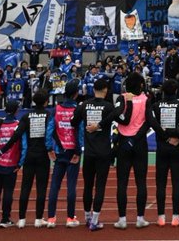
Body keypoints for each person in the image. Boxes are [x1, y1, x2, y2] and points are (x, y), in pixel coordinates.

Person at [74, 77, 116, 230]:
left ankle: (87, 217)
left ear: (93, 90)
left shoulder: (84, 105)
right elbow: (122, 118)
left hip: (89, 153)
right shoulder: (109, 107)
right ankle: (95, 220)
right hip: (104, 152)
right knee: (100, 186)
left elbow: (73, 122)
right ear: (105, 91)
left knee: (88, 185)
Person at [8, 91, 52, 228]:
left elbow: (17, 134)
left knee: (25, 187)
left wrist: (5, 147)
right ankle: (38, 219)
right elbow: (52, 133)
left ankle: (21, 219)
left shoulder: (26, 116)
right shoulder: (48, 115)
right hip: (43, 155)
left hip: (29, 156)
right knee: (41, 188)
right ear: (46, 102)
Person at [113, 73, 150, 229]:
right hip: (140, 142)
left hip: (124, 142)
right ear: (140, 85)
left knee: (122, 182)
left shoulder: (121, 98)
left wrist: (127, 138)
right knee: (141, 182)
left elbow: (118, 117)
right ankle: (140, 218)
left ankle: (122, 219)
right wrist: (136, 138)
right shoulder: (146, 99)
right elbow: (148, 122)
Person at [151, 78, 179, 227]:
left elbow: (154, 125)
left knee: (161, 183)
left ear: (163, 91)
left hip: (161, 147)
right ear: (177, 90)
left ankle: (160, 217)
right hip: (176, 146)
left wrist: (165, 137)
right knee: (176, 182)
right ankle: (175, 217)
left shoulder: (156, 105)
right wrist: (173, 136)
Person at [45, 83, 82, 228]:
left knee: (55, 185)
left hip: (59, 151)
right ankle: (70, 217)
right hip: (72, 151)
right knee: (71, 185)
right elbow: (80, 132)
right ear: (76, 94)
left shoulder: (56, 109)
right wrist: (78, 152)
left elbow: (49, 131)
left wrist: (49, 148)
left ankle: (51, 218)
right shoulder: (78, 109)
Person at [0, 99, 25, 228]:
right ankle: (5, 218)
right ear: (16, 111)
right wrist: (20, 164)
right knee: (8, 192)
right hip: (11, 164)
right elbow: (24, 146)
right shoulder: (18, 125)